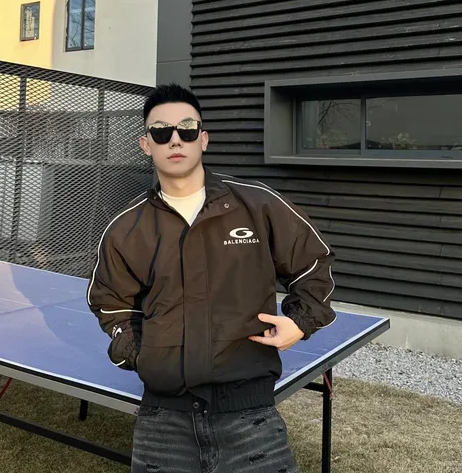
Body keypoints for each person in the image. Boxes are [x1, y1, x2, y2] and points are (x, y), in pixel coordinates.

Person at [87, 83, 336, 473]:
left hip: (251, 417)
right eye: (161, 132)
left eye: (187, 129)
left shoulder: (258, 205)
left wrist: (300, 322)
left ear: (203, 139)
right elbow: (111, 303)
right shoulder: (126, 227)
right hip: (162, 420)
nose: (175, 139)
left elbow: (313, 263)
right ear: (146, 145)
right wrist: (140, 354)